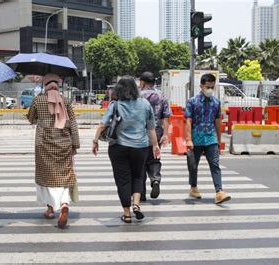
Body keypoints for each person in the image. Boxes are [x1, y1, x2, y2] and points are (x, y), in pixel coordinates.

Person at [92, 76, 160, 224]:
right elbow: (151, 127)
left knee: (122, 180)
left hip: (119, 147)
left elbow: (103, 125)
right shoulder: (145, 104)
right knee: (138, 176)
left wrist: (95, 140)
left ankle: (127, 213)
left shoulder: (116, 105)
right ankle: (136, 204)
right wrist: (155, 145)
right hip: (141, 147)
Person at [26, 73, 80, 229]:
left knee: (47, 175)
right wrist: (75, 144)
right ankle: (63, 205)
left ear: (45, 85)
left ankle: (50, 209)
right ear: (58, 85)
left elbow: (31, 119)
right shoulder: (66, 101)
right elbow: (74, 124)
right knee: (63, 175)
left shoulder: (38, 100)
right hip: (64, 144)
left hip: (44, 144)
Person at [185, 73, 231, 204]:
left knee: (215, 164)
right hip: (196, 137)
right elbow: (188, 121)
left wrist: (219, 140)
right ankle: (193, 187)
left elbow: (218, 122)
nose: (210, 89)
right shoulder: (192, 101)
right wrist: (188, 139)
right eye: (207, 87)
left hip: (211, 138)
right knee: (193, 165)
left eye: (212, 87)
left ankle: (219, 192)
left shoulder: (216, 102)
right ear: (201, 86)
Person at [138, 72, 171, 201]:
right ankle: (155, 180)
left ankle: (140, 193)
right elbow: (166, 117)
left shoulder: (138, 96)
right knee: (154, 159)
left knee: (139, 163)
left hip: (140, 134)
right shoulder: (161, 96)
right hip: (156, 133)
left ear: (143, 82)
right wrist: (166, 134)